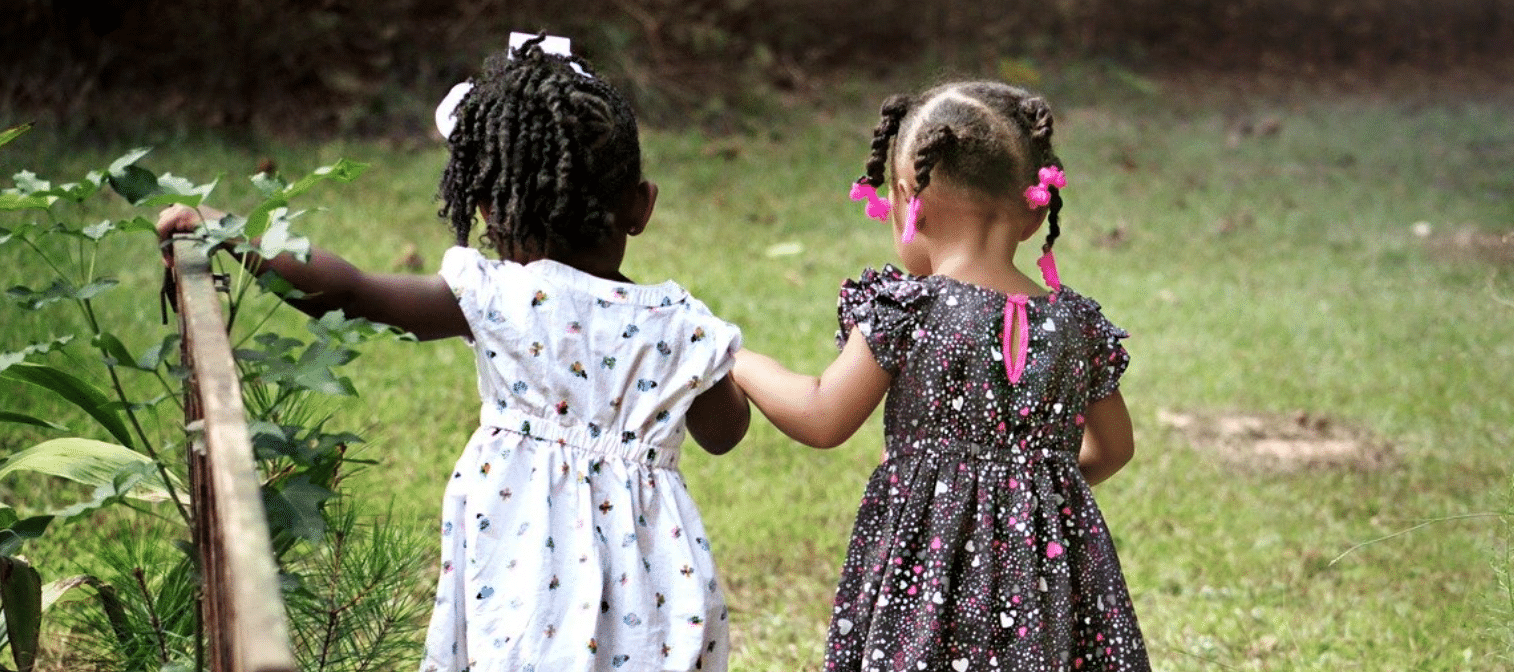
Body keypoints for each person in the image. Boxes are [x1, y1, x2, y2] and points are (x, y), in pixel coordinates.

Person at [157, 36, 750, 672]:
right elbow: (725, 431)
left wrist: (229, 231)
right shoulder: (680, 325)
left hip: (524, 567)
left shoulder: (499, 296)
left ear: (488, 209)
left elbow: (354, 293)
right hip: (653, 585)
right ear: (641, 206)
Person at [733, 81, 1150, 671]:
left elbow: (822, 415)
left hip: (926, 586)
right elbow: (1114, 448)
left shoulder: (911, 311)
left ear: (907, 196)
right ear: (1035, 209)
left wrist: (737, 359)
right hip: (1051, 583)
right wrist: (1031, 491)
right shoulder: (1079, 327)